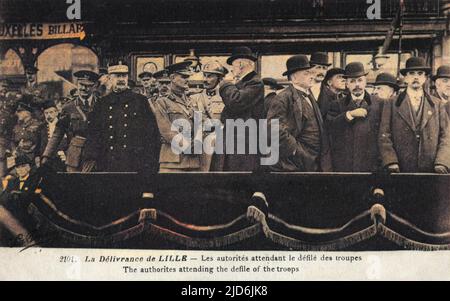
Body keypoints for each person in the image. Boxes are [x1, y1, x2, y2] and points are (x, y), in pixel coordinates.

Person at [82, 64, 160, 173]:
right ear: (110, 78)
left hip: (135, 163)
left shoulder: (140, 101)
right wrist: (91, 158)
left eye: (124, 76)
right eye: (117, 76)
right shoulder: (102, 103)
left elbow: (151, 133)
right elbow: (94, 134)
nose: (121, 79)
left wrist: (150, 162)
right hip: (108, 162)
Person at [379, 57, 450, 173]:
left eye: (420, 73)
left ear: (425, 78)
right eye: (411, 73)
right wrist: (391, 161)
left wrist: (441, 162)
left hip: (431, 169)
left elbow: (446, 136)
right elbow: (384, 135)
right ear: (405, 77)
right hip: (401, 168)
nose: (416, 77)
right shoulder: (391, 103)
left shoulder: (437, 104)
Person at [267, 54, 331, 172]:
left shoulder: (309, 95)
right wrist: (295, 150)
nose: (312, 76)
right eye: (306, 73)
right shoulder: (283, 98)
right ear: (294, 78)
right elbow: (274, 129)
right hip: (294, 163)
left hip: (314, 162)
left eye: (311, 72)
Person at [212, 46, 265, 171]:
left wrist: (225, 84)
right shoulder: (245, 83)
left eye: (233, 65)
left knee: (238, 181)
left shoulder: (255, 83)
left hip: (243, 147)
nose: (232, 70)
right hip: (236, 144)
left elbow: (235, 102)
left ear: (240, 64)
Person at [326, 62, 382, 172]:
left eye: (360, 80)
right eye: (352, 81)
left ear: (365, 81)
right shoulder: (336, 105)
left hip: (371, 167)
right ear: (346, 84)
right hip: (345, 166)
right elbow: (329, 127)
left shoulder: (379, 104)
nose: (357, 84)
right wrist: (349, 115)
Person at [41, 70, 99, 172]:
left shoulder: (101, 104)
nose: (83, 88)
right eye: (81, 84)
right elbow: (57, 134)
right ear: (77, 84)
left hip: (95, 154)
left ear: (94, 86)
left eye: (88, 85)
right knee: (73, 184)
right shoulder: (68, 107)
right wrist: (46, 156)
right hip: (74, 155)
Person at [153, 61, 202, 172]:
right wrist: (187, 147)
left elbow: (200, 125)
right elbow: (166, 130)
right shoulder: (162, 102)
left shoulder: (193, 101)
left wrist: (198, 143)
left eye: (188, 77)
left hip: (193, 162)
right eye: (184, 76)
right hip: (172, 162)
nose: (187, 80)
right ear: (172, 78)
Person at [10, 101, 42, 166]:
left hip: (32, 158)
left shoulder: (38, 125)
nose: (17, 113)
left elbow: (40, 142)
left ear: (27, 113)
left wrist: (37, 155)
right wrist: (13, 150)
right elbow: (12, 140)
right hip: (19, 157)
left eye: (20, 112)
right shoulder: (17, 126)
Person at [38, 100, 66, 171]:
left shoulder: (64, 125)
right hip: (47, 160)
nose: (48, 115)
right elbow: (38, 145)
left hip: (62, 159)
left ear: (56, 112)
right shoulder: (41, 127)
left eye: (51, 112)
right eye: (46, 113)